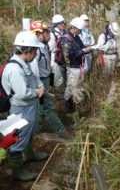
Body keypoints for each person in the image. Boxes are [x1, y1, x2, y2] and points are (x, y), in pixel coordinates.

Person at [2, 31, 48, 181]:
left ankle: (29, 154)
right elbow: (22, 93)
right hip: (20, 108)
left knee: (30, 131)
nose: (36, 54)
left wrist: (40, 85)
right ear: (26, 51)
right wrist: (38, 91)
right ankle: (17, 170)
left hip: (30, 105)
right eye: (35, 51)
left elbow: (34, 77)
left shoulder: (24, 64)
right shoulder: (14, 69)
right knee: (18, 138)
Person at [30, 20, 70, 139]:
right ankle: (61, 131)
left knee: (41, 108)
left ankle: (35, 131)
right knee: (48, 108)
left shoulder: (45, 46)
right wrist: (39, 86)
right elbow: (34, 71)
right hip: (40, 82)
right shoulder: (35, 51)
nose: (49, 34)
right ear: (37, 34)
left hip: (46, 80)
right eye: (46, 32)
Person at [61, 17, 92, 114]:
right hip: (72, 68)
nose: (81, 33)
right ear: (74, 28)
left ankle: (76, 105)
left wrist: (90, 49)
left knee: (77, 87)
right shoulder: (66, 39)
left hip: (79, 67)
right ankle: (69, 108)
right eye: (80, 30)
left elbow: (83, 47)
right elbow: (71, 55)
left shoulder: (76, 37)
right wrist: (83, 51)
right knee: (71, 87)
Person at [49, 14, 67, 87]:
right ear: (57, 24)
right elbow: (51, 48)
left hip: (63, 59)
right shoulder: (52, 34)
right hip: (55, 59)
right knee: (58, 78)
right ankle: (58, 94)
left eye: (64, 23)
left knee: (63, 77)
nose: (64, 25)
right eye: (62, 23)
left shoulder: (64, 32)